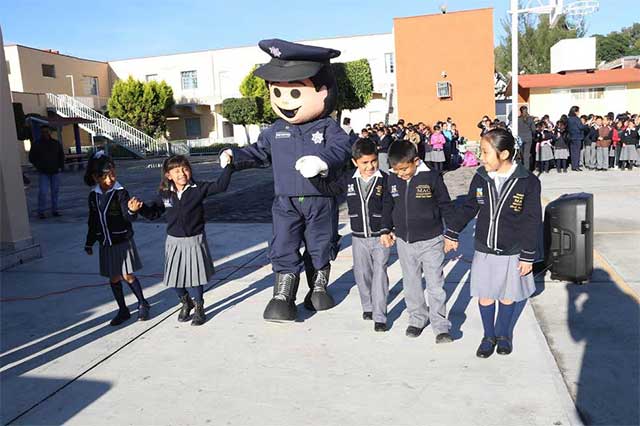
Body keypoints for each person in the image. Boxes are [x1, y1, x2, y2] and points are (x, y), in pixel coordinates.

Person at [219, 39, 352, 322]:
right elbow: (258, 152)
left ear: (323, 91)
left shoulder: (328, 127)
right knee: (283, 245)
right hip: (285, 201)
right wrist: (235, 155)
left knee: (320, 244)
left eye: (295, 91)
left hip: (319, 199)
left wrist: (322, 162)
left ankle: (318, 288)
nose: (285, 100)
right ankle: (283, 296)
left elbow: (342, 149)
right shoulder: (275, 130)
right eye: (278, 92)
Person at [444, 128, 541, 358]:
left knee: (508, 295)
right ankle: (488, 336)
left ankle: (504, 334)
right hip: (485, 249)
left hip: (513, 251)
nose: (481, 157)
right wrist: (452, 232)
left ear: (504, 154)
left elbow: (532, 220)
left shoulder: (528, 182)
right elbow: (469, 206)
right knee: (486, 295)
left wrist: (528, 255)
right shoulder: (481, 177)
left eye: (486, 152)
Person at [130, 155, 234, 326]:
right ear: (168, 175)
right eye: (176, 171)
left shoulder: (197, 188)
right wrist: (138, 210)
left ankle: (199, 306)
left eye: (185, 169)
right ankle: (186, 301)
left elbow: (220, 186)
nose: (182, 174)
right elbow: (153, 213)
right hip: (174, 241)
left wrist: (229, 166)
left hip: (194, 239)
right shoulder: (165, 194)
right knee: (173, 279)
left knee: (195, 277)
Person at [305, 138, 391, 332]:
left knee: (379, 274)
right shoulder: (348, 179)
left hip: (380, 236)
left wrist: (387, 229)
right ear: (355, 162)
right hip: (358, 237)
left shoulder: (385, 180)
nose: (370, 166)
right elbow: (328, 189)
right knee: (362, 274)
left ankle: (380, 316)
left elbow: (389, 206)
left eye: (373, 161)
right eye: (365, 163)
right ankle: (367, 306)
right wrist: (312, 176)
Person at [380, 139, 454, 343]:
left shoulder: (432, 177)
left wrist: (451, 235)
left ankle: (440, 326)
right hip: (405, 242)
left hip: (431, 240)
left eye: (404, 169)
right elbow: (388, 205)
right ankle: (417, 318)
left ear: (416, 161)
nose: (401, 173)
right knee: (411, 283)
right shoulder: (392, 179)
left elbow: (446, 205)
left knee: (435, 285)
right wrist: (385, 229)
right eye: (396, 170)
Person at [84, 151, 150, 326]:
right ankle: (123, 309)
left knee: (127, 275)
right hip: (106, 243)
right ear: (96, 177)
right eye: (105, 176)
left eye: (113, 174)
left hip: (122, 241)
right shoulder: (93, 196)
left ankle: (143, 303)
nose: (110, 179)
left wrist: (132, 211)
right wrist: (89, 242)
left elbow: (128, 216)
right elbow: (93, 221)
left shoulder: (120, 192)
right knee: (113, 278)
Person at [28, 125, 65, 219]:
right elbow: (31, 157)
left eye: (47, 131)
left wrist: (60, 166)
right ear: (41, 133)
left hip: (55, 171)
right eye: (43, 132)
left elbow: (61, 155)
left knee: (55, 192)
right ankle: (41, 211)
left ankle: (55, 210)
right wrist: (38, 166)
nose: (45, 133)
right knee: (43, 192)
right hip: (43, 172)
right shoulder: (37, 144)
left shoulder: (56, 143)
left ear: (50, 132)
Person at [567, 106, 588, 171]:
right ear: (575, 112)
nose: (579, 112)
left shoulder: (569, 118)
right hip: (577, 137)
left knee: (573, 152)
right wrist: (586, 125)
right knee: (577, 152)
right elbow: (581, 127)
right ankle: (576, 166)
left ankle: (573, 166)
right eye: (578, 111)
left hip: (571, 137)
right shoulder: (576, 119)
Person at [517, 106, 536, 171]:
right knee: (526, 155)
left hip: (520, 138)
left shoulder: (517, 119)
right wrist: (533, 135)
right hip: (528, 138)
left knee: (521, 155)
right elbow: (534, 129)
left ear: (520, 111)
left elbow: (509, 117)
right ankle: (526, 170)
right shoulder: (530, 119)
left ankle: (523, 169)